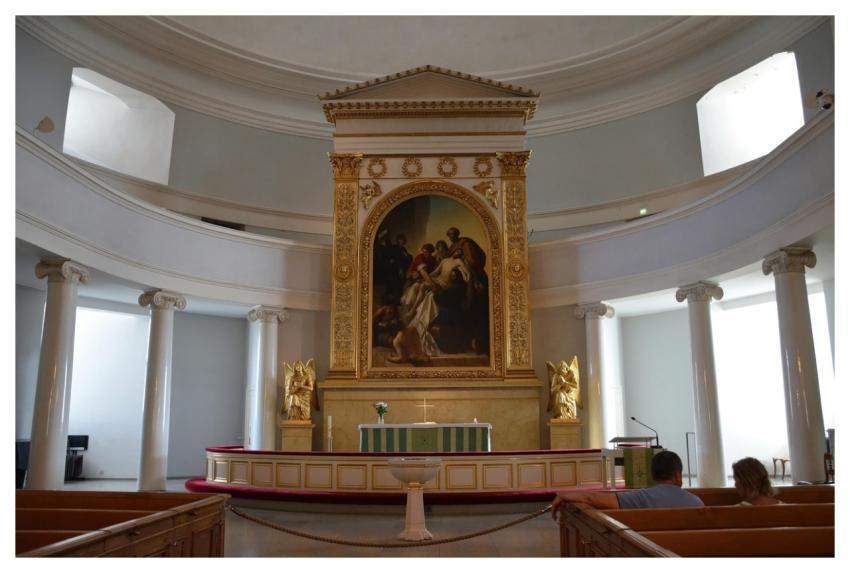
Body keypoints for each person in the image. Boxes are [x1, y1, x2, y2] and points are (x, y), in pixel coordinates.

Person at [550, 451, 703, 516]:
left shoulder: (642, 498)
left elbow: (592, 498)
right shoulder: (697, 503)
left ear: (653, 475)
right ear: (678, 474)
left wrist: (563, 494)